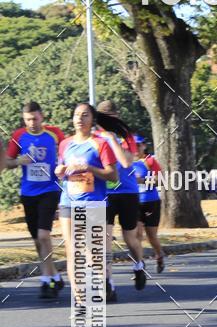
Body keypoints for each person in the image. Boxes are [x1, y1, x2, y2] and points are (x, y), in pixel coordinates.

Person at [55, 103, 118, 301]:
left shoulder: (100, 144)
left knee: (93, 254)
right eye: (76, 115)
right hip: (68, 201)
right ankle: (80, 299)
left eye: (84, 115)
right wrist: (60, 172)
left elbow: (113, 175)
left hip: (93, 203)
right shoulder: (65, 144)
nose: (79, 119)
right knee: (72, 250)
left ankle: (100, 287)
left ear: (92, 120)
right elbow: (62, 169)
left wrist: (89, 168)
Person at [4, 101, 65, 298]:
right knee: (37, 240)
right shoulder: (19, 136)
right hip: (28, 192)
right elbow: (6, 162)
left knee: (43, 235)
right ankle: (54, 275)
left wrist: (62, 167)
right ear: (24, 120)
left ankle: (45, 281)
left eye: (35, 119)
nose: (32, 123)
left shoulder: (55, 134)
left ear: (42, 117)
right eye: (28, 120)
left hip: (50, 190)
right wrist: (18, 161)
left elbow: (66, 154)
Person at [96, 99, 146, 301]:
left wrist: (111, 139)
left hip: (127, 192)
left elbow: (126, 161)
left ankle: (138, 265)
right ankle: (109, 283)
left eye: (112, 117)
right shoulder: (94, 138)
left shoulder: (127, 137)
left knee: (130, 238)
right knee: (104, 240)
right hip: (104, 194)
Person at [133, 135, 165, 273]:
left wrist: (143, 180)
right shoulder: (126, 162)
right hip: (134, 202)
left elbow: (161, 180)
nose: (135, 148)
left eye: (138, 145)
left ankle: (159, 255)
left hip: (151, 202)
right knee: (137, 234)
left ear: (144, 146)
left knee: (151, 236)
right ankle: (140, 262)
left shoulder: (150, 161)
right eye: (132, 145)